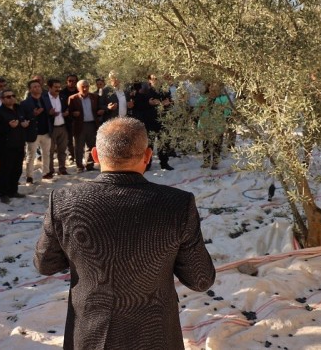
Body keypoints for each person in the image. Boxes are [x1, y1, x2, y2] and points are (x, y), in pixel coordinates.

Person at [34, 117, 216, 349]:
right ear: (148, 156)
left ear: (95, 155)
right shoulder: (177, 204)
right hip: (155, 334)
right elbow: (200, 280)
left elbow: (45, 264)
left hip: (90, 335)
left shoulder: (63, 202)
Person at [0, 88, 30, 203]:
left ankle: (13, 190)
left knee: (17, 170)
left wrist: (24, 124)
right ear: (2, 99)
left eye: (13, 95)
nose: (11, 98)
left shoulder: (19, 108)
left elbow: (25, 119)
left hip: (19, 143)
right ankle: (3, 193)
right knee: (5, 170)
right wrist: (8, 126)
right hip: (5, 146)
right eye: (8, 97)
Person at [67, 79, 105, 171]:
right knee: (79, 146)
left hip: (92, 124)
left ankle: (89, 165)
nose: (85, 88)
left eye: (87, 86)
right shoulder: (73, 98)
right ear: (78, 88)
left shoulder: (94, 97)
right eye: (82, 87)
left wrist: (101, 111)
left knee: (91, 146)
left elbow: (99, 108)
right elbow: (69, 112)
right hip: (79, 125)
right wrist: (73, 114)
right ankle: (79, 166)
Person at [21, 79, 51, 183]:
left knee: (46, 153)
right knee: (31, 155)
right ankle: (29, 176)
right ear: (30, 89)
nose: (37, 88)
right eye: (34, 87)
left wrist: (51, 113)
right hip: (33, 133)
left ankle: (46, 173)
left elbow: (49, 113)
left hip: (46, 131)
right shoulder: (25, 103)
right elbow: (22, 117)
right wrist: (33, 115)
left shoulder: (46, 100)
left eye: (38, 86)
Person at [197, 82, 231, 170]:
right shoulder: (203, 98)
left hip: (218, 125)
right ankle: (206, 162)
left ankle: (215, 163)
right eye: (211, 86)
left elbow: (228, 111)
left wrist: (221, 109)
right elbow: (197, 110)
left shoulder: (223, 98)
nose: (212, 88)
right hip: (205, 125)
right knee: (206, 144)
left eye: (215, 86)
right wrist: (200, 110)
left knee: (217, 144)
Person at [45, 78, 70, 177]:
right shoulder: (44, 99)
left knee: (62, 150)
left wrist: (66, 113)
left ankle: (62, 169)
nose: (58, 89)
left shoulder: (63, 97)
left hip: (63, 127)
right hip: (51, 128)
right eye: (55, 87)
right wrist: (49, 113)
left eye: (59, 87)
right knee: (50, 151)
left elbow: (67, 108)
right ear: (49, 87)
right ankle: (50, 170)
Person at [59, 75, 79, 164]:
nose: (72, 82)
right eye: (70, 80)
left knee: (79, 139)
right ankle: (71, 156)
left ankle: (79, 156)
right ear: (67, 81)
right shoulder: (61, 93)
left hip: (78, 118)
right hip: (66, 119)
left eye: (74, 81)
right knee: (68, 139)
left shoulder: (79, 91)